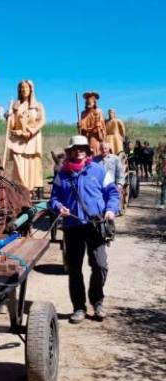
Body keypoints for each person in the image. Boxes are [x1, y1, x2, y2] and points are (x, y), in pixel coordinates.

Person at [49, 135, 119, 324]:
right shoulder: (62, 174)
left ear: (87, 152)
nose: (78, 151)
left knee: (100, 265)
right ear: (69, 152)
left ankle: (97, 300)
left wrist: (111, 210)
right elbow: (54, 198)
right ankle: (79, 307)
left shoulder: (98, 170)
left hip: (95, 225)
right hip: (72, 227)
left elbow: (112, 192)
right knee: (74, 269)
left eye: (82, 148)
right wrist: (58, 207)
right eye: (75, 148)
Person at [3, 80, 45, 195]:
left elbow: (41, 121)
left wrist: (30, 132)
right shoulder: (16, 106)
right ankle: (20, 190)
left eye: (26, 87)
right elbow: (11, 125)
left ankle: (30, 192)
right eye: (21, 88)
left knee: (32, 167)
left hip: (31, 140)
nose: (23, 90)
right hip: (17, 141)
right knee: (18, 168)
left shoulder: (38, 106)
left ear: (31, 89)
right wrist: (9, 116)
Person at [78, 91, 106, 155]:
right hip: (85, 136)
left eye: (90, 102)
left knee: (93, 148)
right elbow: (82, 126)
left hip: (94, 136)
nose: (88, 103)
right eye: (87, 102)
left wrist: (99, 125)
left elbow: (102, 125)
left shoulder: (98, 111)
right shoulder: (83, 113)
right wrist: (80, 125)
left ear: (94, 102)